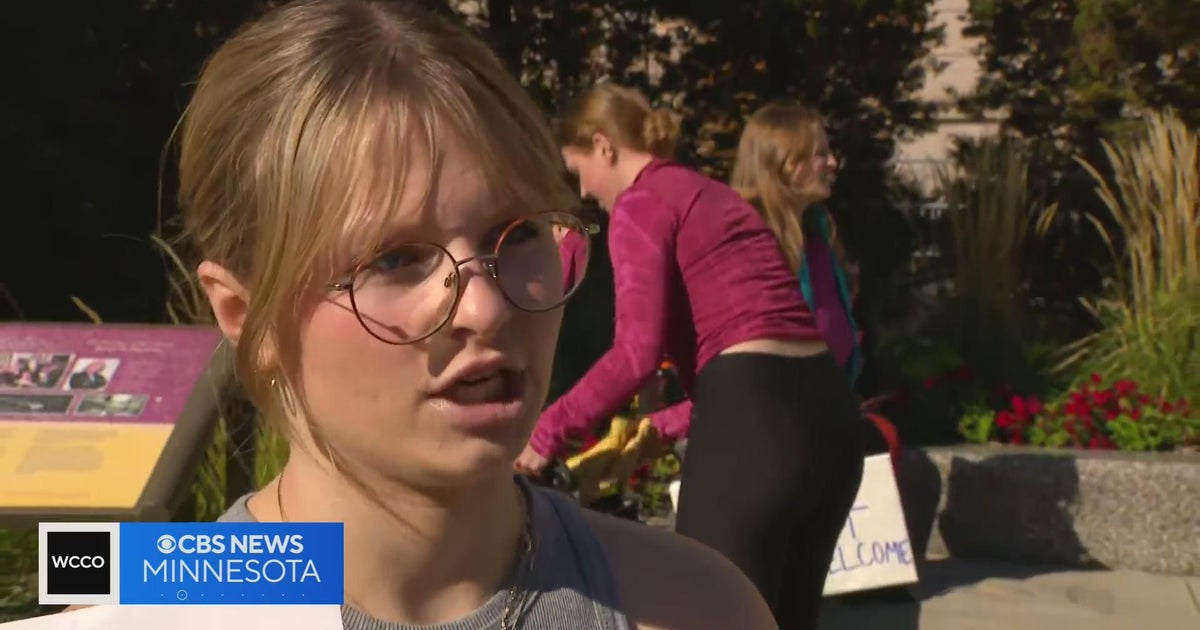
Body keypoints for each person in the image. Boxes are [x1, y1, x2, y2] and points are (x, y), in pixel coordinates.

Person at [63, 2, 777, 629]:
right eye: (395, 258)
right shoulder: (148, 603)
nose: (486, 306)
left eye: (520, 232)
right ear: (247, 315)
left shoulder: (694, 605)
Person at [515, 83, 864, 630]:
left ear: (604, 146)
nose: (584, 190)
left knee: (701, 616)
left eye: (580, 169)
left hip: (757, 424)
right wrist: (663, 424)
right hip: (831, 423)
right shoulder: (713, 194)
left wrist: (544, 434)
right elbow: (761, 351)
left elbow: (637, 354)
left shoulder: (641, 202)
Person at [731, 101, 903, 472]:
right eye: (820, 154)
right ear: (784, 162)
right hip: (776, 438)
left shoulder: (817, 230)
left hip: (826, 423)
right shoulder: (747, 240)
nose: (833, 164)